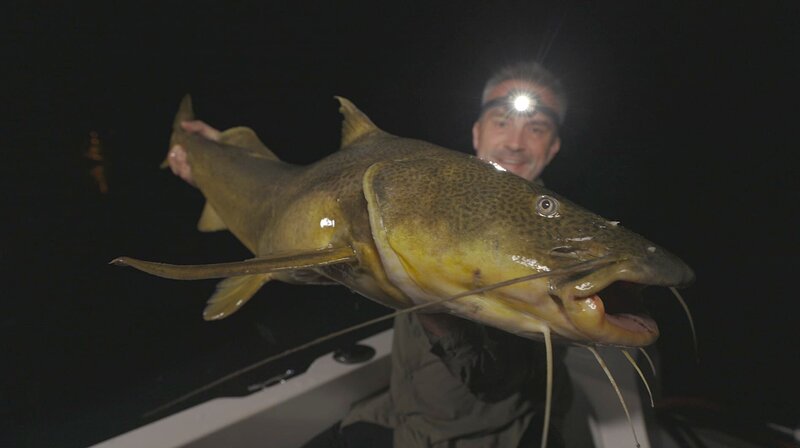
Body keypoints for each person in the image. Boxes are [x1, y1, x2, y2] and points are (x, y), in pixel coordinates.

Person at [168, 62, 577, 448]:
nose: (515, 142)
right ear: (476, 132)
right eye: (502, 122)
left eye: (536, 128)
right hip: (405, 412)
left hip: (475, 435)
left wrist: (421, 295)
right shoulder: (433, 191)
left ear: (554, 147)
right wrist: (215, 160)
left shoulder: (558, 245)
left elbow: (495, 381)